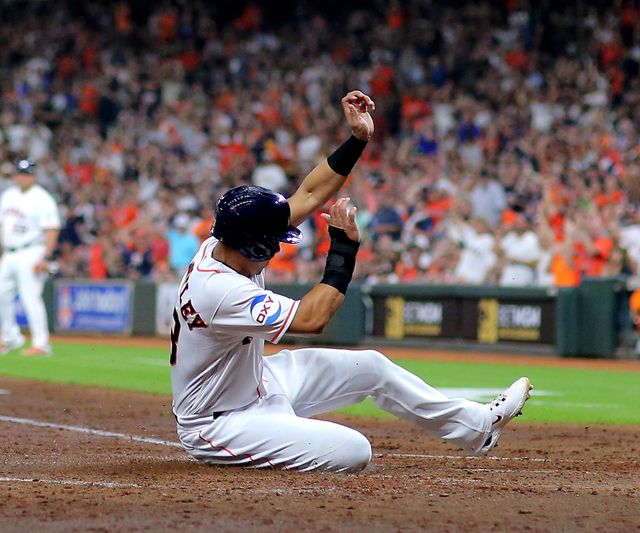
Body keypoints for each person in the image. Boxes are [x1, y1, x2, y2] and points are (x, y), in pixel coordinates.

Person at [169, 91, 531, 473]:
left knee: (372, 367)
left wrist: (357, 139)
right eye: (274, 240)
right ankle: (273, 436)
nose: (280, 243)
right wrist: (342, 248)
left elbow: (309, 193)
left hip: (257, 380)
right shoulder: (219, 290)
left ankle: (476, 428)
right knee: (354, 451)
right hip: (222, 422)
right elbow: (312, 319)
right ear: (253, 242)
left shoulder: (228, 241)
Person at [0, 159, 61, 356]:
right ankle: (10, 337)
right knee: (1, 294)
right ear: (15, 175)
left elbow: (52, 229)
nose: (23, 177)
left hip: (32, 251)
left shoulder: (42, 198)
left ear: (34, 176)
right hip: (9, 252)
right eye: (20, 173)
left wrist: (46, 257)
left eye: (27, 174)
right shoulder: (8, 195)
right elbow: (3, 226)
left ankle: (41, 343)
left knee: (30, 298)